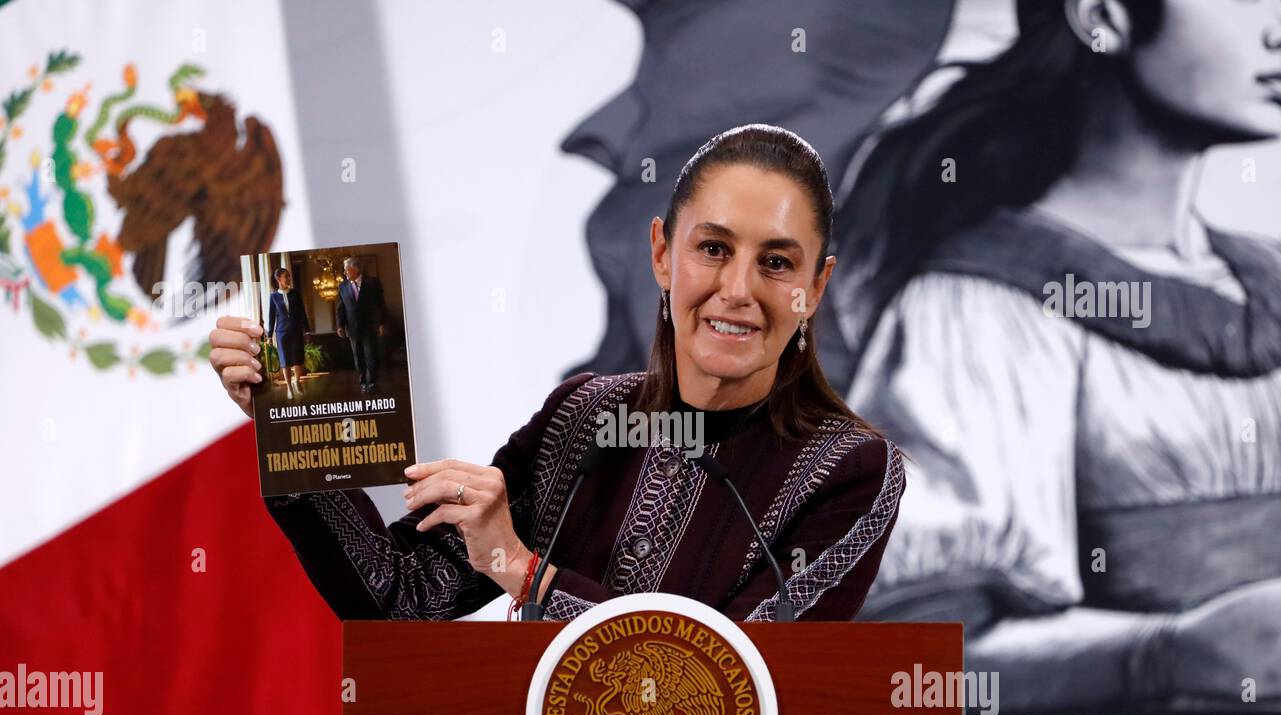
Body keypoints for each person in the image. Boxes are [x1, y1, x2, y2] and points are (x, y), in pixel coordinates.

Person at [208, 124, 907, 622]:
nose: (738, 289)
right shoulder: (583, 418)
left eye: (778, 263)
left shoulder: (849, 469)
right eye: (714, 248)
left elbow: (727, 679)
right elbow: (400, 598)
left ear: (816, 287)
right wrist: (292, 419)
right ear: (663, 254)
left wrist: (521, 568)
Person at [832, 0, 1281, 712]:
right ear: (1103, 14)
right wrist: (1162, 655)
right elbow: (899, 667)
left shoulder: (1278, 285)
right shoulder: (979, 309)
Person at [334, 256, 386, 393]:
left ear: (355, 269)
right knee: (358, 356)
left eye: (346, 270)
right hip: (352, 328)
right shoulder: (343, 286)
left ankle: (372, 382)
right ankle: (363, 382)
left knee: (370, 355)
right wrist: (340, 325)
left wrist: (381, 323)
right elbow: (340, 308)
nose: (344, 273)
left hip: (370, 326)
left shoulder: (373, 282)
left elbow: (380, 305)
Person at [265, 267, 309, 401]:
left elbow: (302, 312)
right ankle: (289, 387)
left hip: (296, 330)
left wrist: (307, 330)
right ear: (279, 279)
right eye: (286, 277)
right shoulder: (273, 297)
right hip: (281, 332)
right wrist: (269, 335)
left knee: (297, 359)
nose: (289, 279)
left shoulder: (295, 293)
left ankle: (297, 381)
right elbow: (271, 317)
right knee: (285, 361)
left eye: (289, 276)